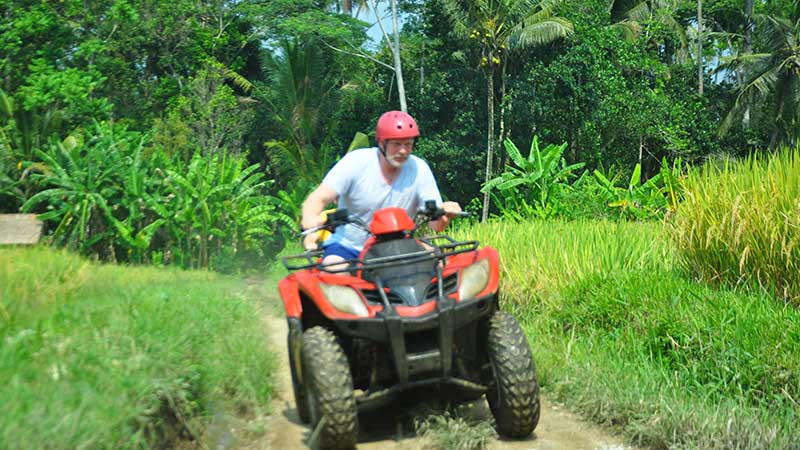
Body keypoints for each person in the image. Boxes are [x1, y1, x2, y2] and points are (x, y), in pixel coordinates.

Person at [300, 110, 462, 265]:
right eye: (396, 144)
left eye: (408, 144)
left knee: (443, 271)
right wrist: (310, 219)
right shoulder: (355, 162)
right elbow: (318, 198)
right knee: (334, 271)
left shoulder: (419, 169)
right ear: (381, 143)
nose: (403, 150)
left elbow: (436, 226)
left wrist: (446, 213)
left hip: (400, 247)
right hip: (350, 248)